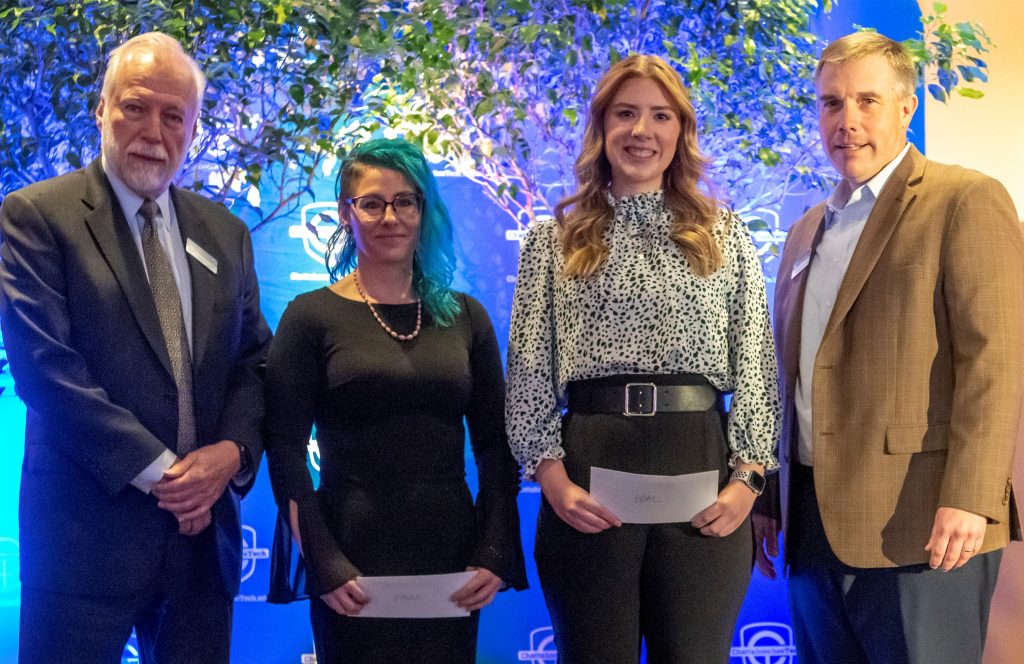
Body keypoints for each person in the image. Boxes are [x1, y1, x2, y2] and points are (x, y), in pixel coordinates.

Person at [0, 32, 272, 663]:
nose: (154, 129)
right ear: (102, 110)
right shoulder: (38, 216)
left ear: (193, 128)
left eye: (174, 115)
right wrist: (172, 478)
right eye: (136, 106)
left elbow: (254, 364)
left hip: (201, 550)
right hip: (81, 545)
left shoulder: (224, 232)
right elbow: (46, 372)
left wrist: (229, 456)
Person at [506, 54, 780, 663]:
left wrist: (748, 482)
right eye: (625, 114)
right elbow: (528, 372)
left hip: (702, 474)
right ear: (601, 128)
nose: (642, 131)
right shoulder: (553, 240)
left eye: (660, 116)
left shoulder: (725, 234)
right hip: (588, 475)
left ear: (680, 131)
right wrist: (550, 477)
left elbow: (757, 365)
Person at [763, 31, 1024, 663]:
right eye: (830, 103)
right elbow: (788, 377)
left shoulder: (964, 199)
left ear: (906, 109)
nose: (846, 122)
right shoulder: (803, 230)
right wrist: (772, 498)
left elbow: (993, 360)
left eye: (866, 101)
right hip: (813, 527)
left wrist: (970, 495)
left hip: (925, 522)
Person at [263, 138, 528, 663]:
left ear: (423, 211)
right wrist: (322, 561)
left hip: (451, 555)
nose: (391, 216)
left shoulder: (467, 317)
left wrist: (494, 551)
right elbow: (285, 450)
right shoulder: (309, 317)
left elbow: (497, 449)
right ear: (346, 212)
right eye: (372, 202)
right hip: (350, 559)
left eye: (405, 201)